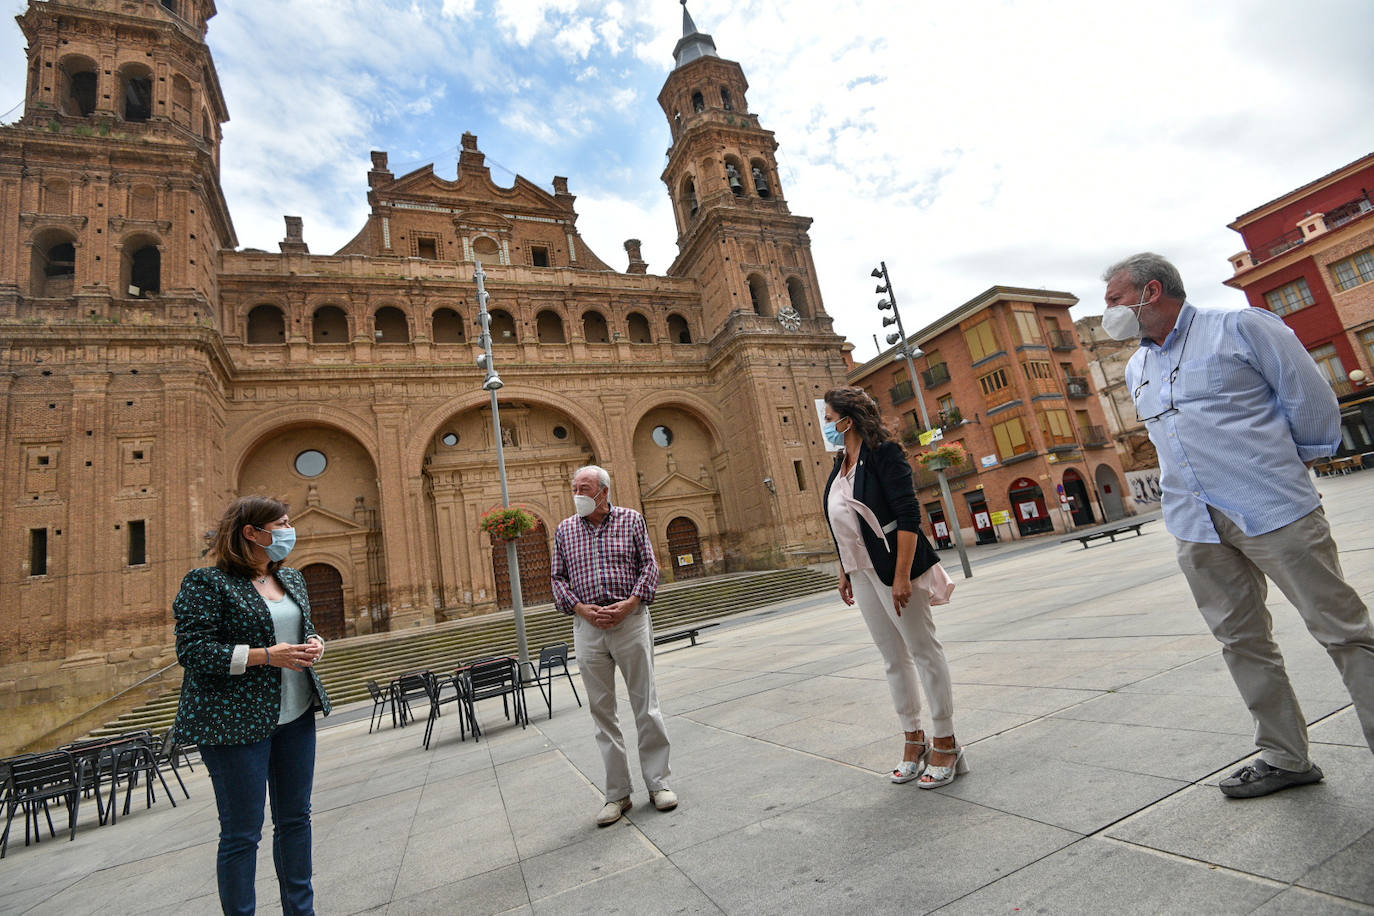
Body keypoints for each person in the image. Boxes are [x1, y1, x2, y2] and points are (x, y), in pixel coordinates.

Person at [1103, 252, 1374, 798]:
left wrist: (1279, 467)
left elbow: (1312, 400)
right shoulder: (1138, 367)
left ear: (1150, 292)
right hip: (1195, 524)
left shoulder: (1241, 327)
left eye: (1114, 300)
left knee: (1343, 632)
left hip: (1274, 509)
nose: (1108, 312)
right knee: (1241, 641)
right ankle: (1284, 756)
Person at [172, 496, 331, 914]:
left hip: (295, 716)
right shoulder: (207, 583)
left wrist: (315, 644)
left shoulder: (292, 579)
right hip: (233, 724)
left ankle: (302, 911)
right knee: (242, 834)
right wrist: (265, 655)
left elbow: (302, 629)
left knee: (296, 820)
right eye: (281, 523)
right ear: (252, 532)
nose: (288, 530)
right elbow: (193, 650)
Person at [820, 387, 965, 788]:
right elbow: (842, 522)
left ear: (848, 420)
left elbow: (907, 515)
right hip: (862, 572)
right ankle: (913, 738)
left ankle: (946, 740)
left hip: (896, 568)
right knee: (891, 656)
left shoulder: (885, 452)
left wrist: (902, 576)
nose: (826, 425)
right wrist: (844, 569)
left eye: (830, 418)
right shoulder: (839, 464)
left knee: (923, 650)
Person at [551, 465, 676, 826]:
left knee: (645, 704)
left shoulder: (631, 520)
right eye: (574, 487)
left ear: (603, 491)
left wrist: (631, 603)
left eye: (584, 487)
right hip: (587, 627)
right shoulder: (564, 531)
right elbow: (557, 578)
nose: (578, 493)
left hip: (630, 621)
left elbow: (649, 567)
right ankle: (617, 794)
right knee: (602, 713)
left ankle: (658, 783)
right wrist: (579, 608)